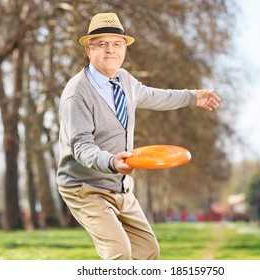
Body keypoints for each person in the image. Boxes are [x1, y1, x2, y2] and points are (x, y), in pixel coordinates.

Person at [56, 12, 221, 260]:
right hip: (85, 187)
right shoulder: (77, 93)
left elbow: (157, 96)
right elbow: (81, 147)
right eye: (102, 44)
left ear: (124, 49)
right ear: (89, 50)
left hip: (121, 187)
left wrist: (192, 96)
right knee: (118, 252)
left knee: (147, 251)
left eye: (117, 44)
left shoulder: (125, 81)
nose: (110, 50)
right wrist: (111, 162)